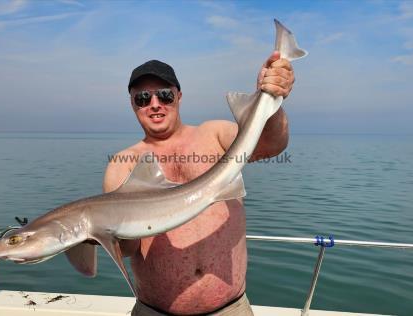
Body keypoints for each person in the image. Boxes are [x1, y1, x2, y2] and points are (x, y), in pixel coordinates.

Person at [103, 53, 295, 315]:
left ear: (179, 96)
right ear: (133, 104)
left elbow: (271, 145)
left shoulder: (214, 134)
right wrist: (98, 235)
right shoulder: (123, 164)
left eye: (165, 95)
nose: (155, 104)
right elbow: (127, 249)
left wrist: (272, 96)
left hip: (230, 309)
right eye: (143, 98)